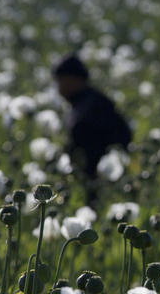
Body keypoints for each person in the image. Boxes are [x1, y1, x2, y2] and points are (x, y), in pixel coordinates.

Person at [53, 54, 132, 208]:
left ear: (75, 79)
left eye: (61, 80)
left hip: (101, 176)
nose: (58, 87)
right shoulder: (83, 102)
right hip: (92, 176)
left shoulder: (92, 106)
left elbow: (118, 137)